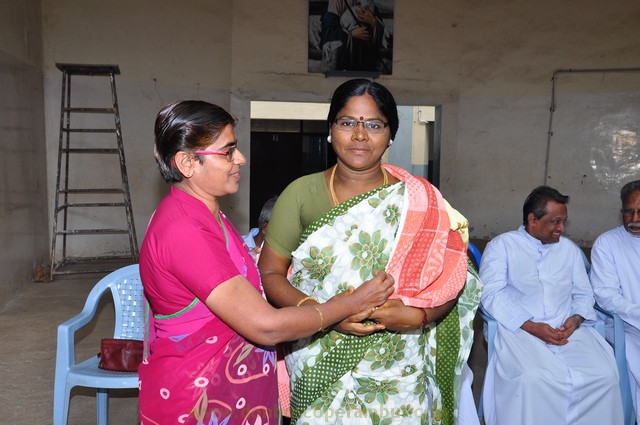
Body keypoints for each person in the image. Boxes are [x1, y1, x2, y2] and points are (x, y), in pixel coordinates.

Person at [137, 100, 395, 425]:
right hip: (199, 400)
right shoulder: (184, 230)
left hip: (230, 393)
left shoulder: (206, 214)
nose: (240, 159)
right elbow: (265, 326)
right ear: (187, 162)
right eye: (227, 152)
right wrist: (350, 303)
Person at [258, 79, 482, 424]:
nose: (360, 135)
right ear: (330, 129)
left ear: (391, 134)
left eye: (374, 125)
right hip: (321, 352)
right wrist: (325, 313)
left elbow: (454, 273)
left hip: (400, 367)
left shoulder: (420, 200)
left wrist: (421, 316)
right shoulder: (301, 194)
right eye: (348, 122)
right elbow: (270, 273)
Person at [479, 186, 624, 425]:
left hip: (567, 330)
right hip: (519, 330)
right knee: (532, 378)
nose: (562, 228)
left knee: (604, 375)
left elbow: (583, 293)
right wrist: (531, 326)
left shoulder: (569, 250)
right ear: (532, 219)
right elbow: (491, 294)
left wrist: (576, 319)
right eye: (556, 222)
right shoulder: (502, 246)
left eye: (564, 221)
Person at [590, 179, 640, 424]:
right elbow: (606, 296)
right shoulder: (607, 243)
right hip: (623, 325)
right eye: (629, 212)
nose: (635, 219)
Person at [320, 0, 386, 73]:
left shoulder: (368, 2)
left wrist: (373, 22)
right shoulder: (336, 2)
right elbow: (329, 32)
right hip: (346, 58)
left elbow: (380, 30)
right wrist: (351, 35)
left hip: (365, 56)